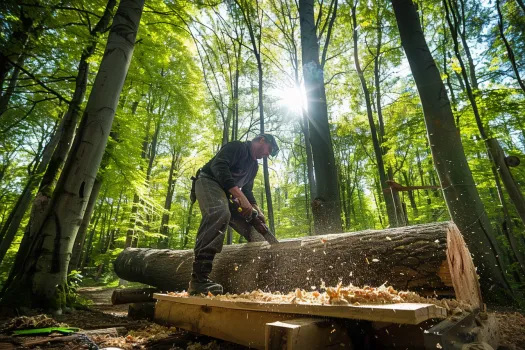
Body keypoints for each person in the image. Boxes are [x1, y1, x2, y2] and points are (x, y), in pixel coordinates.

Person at [188, 134, 279, 295]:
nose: (266, 155)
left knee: (254, 229)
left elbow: (248, 191)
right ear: (262, 140)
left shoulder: (254, 167)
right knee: (219, 213)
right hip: (208, 181)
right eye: (268, 150)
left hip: (228, 193)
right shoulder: (237, 147)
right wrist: (239, 195)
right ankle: (199, 279)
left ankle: (266, 272)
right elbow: (218, 166)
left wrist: (257, 210)